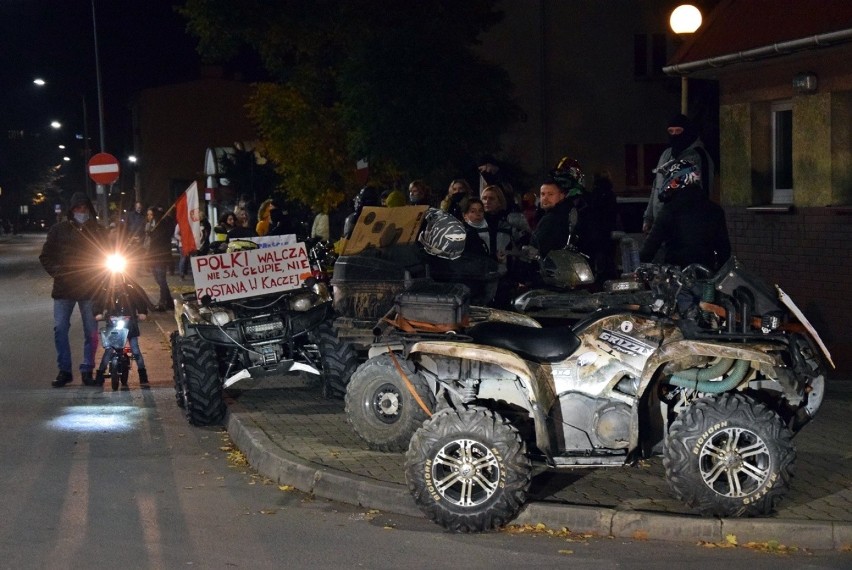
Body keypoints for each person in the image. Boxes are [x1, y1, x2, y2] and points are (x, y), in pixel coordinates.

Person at [39, 192, 107, 387]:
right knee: (60, 328)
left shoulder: (98, 231)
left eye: (84, 208)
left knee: (91, 331)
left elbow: (108, 253)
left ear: (89, 209)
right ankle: (65, 370)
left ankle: (88, 369)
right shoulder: (58, 230)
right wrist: (58, 272)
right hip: (64, 288)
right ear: (71, 210)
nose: (81, 211)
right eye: (78, 208)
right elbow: (45, 256)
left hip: (90, 288)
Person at [640, 159, 731, 271]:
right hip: (707, 277)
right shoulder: (715, 210)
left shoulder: (669, 210)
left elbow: (648, 250)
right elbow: (725, 252)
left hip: (677, 280)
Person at [643, 113, 714, 234]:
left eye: (678, 131)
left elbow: (698, 193)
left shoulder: (697, 156)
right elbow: (656, 187)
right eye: (671, 131)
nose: (674, 135)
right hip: (661, 226)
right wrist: (648, 218)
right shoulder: (666, 155)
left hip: (685, 228)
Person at [93, 271, 151, 386]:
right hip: (112, 325)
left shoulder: (131, 290)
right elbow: (98, 302)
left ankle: (143, 376)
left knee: (135, 350)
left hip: (130, 325)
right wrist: (98, 313)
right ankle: (100, 375)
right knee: (109, 350)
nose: (116, 283)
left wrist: (142, 312)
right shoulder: (105, 291)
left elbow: (140, 301)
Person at [147, 206, 176, 311]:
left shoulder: (162, 225)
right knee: (158, 280)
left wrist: (153, 235)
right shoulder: (151, 225)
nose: (149, 217)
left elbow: (163, 238)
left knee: (161, 279)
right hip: (153, 257)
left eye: (150, 214)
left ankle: (163, 301)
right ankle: (169, 301)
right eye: (148, 215)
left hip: (161, 257)